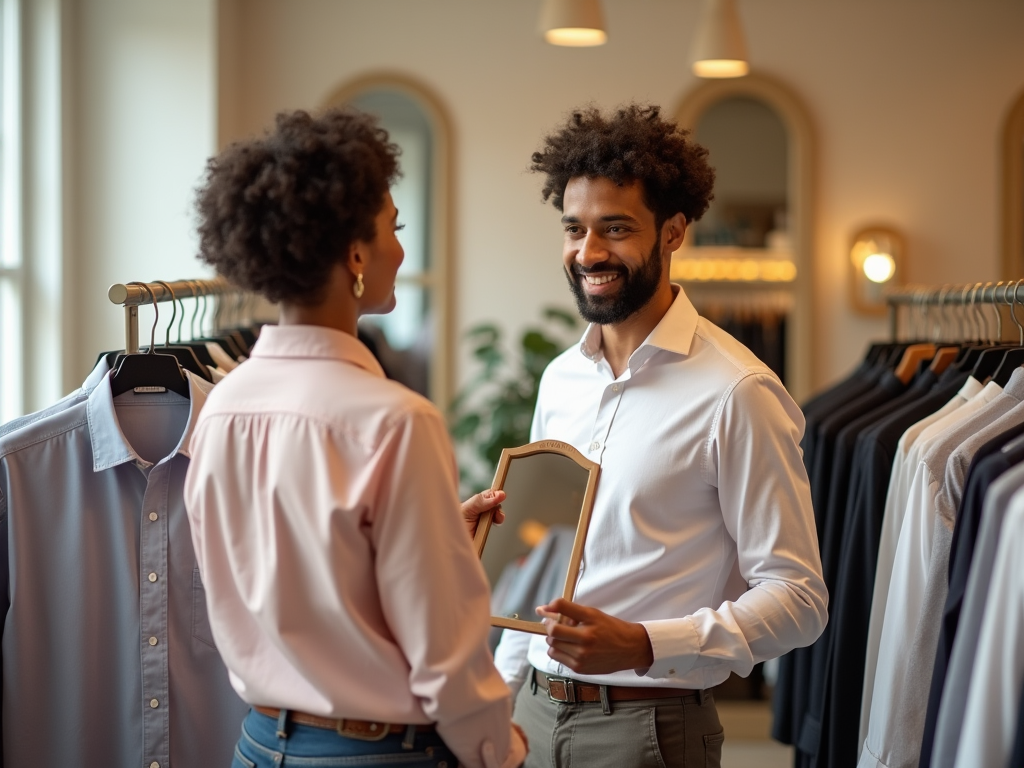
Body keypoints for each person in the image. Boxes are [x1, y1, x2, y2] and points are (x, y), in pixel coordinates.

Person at [184, 108, 527, 768]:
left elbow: (276, 574)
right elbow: (446, 660)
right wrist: (500, 749)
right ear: (356, 253)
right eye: (394, 228)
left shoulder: (222, 406)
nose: (402, 247)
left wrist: (427, 528)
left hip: (258, 746)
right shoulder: (396, 421)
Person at [493, 104, 828, 768]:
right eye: (574, 229)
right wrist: (500, 700)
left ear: (673, 232)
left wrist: (648, 644)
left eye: (614, 229)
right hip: (529, 714)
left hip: (647, 731)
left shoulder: (739, 392)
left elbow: (798, 599)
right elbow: (538, 561)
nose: (587, 253)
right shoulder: (560, 380)